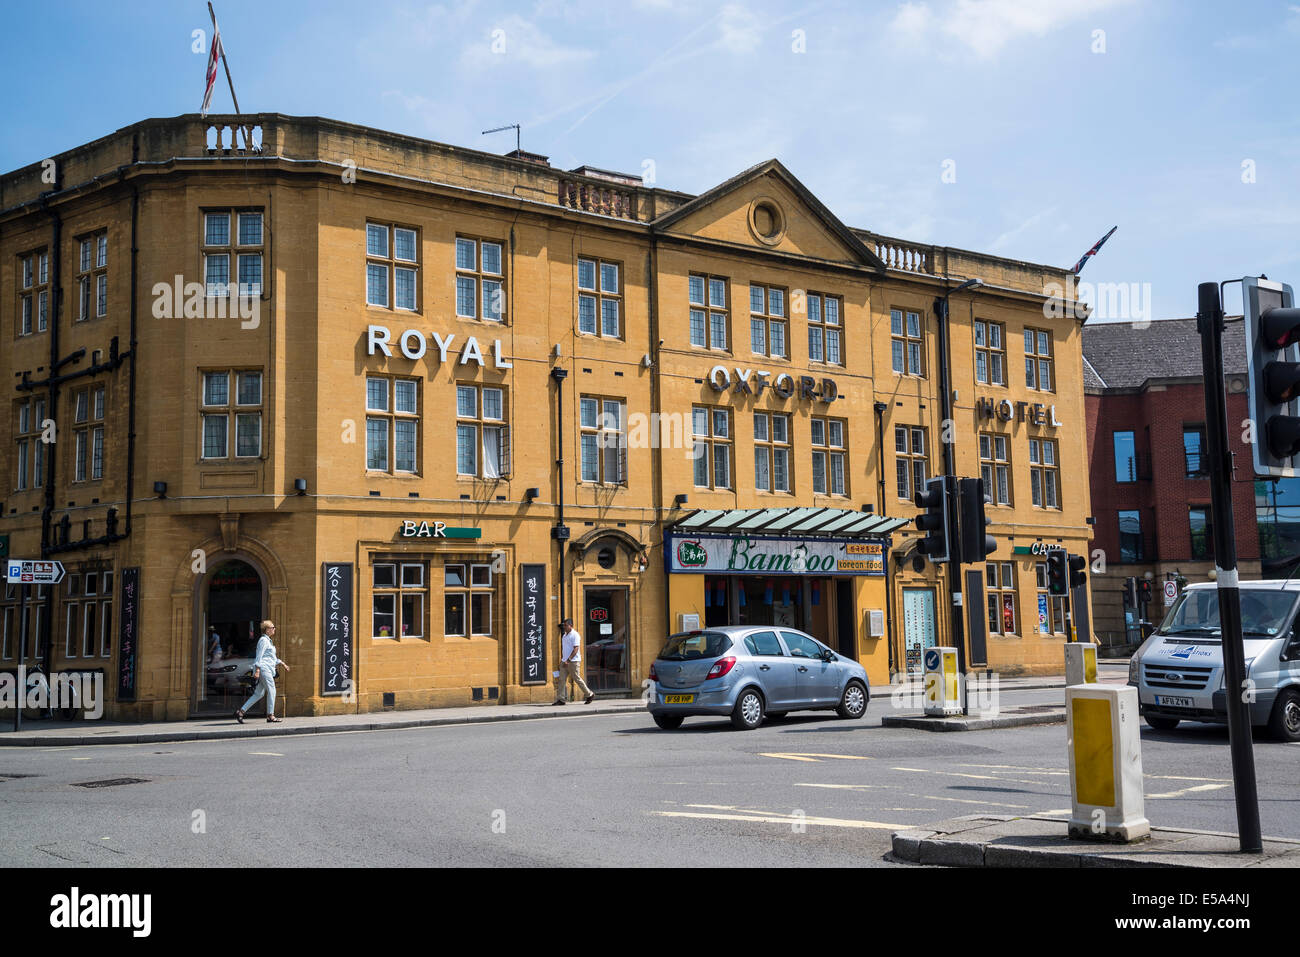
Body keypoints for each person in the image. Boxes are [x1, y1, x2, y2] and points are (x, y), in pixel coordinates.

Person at [235, 620, 290, 723]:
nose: (274, 629)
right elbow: (259, 656)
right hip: (264, 669)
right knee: (272, 690)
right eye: (273, 627)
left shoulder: (268, 641)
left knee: (259, 694)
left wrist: (282, 664)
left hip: (266, 668)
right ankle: (270, 715)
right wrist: (257, 670)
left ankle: (241, 712)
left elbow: (271, 657)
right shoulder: (263, 641)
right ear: (267, 629)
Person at [553, 618, 594, 706]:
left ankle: (589, 694)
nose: (564, 627)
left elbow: (576, 649)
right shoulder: (564, 635)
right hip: (564, 661)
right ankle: (561, 699)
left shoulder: (575, 635)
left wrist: (569, 659)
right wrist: (563, 660)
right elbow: (565, 649)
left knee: (577, 679)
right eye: (564, 625)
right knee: (561, 680)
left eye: (566, 625)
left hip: (573, 661)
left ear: (570, 625)